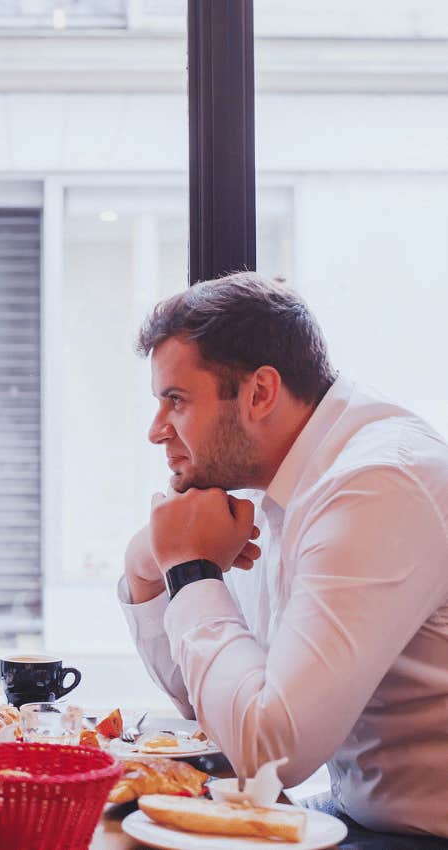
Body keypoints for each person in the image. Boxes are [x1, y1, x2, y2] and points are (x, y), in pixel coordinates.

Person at [119, 272, 448, 838]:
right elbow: (213, 709)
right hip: (356, 812)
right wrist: (147, 569)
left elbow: (273, 752)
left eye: (175, 400)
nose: (155, 431)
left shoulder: (375, 484)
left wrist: (191, 572)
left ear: (260, 393)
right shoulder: (265, 485)